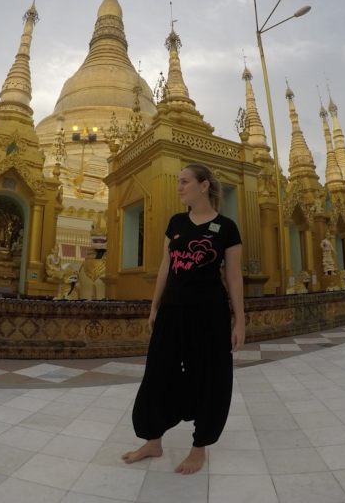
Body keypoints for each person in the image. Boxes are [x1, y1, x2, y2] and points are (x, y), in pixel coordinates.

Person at [121, 164, 244, 475]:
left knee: (208, 376)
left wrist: (240, 320)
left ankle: (199, 446)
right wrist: (154, 307)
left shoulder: (226, 228)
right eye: (178, 182)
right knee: (158, 373)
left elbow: (233, 277)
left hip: (209, 314)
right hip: (172, 312)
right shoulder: (175, 222)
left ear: (203, 186)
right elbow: (166, 267)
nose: (179, 187)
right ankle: (153, 440)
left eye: (185, 182)